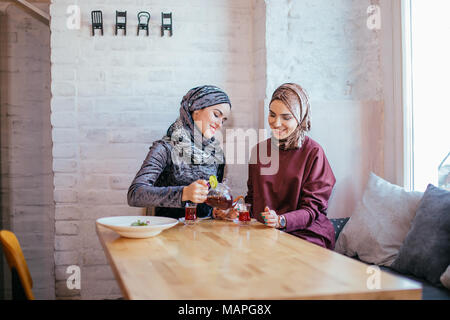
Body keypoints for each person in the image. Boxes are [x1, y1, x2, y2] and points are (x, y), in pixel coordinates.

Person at [216, 83, 336, 249]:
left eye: (286, 117)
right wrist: (235, 210)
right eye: (272, 115)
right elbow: (252, 198)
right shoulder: (259, 151)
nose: (276, 123)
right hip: (266, 232)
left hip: (306, 233)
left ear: (300, 118)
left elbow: (312, 210)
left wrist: (281, 220)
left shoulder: (314, 153)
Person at [127, 85, 231, 219]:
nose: (220, 124)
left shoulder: (216, 155)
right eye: (216, 115)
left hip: (205, 235)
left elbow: (212, 201)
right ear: (196, 109)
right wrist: (184, 193)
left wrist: (220, 211)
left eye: (223, 120)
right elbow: (135, 194)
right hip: (168, 234)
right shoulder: (165, 148)